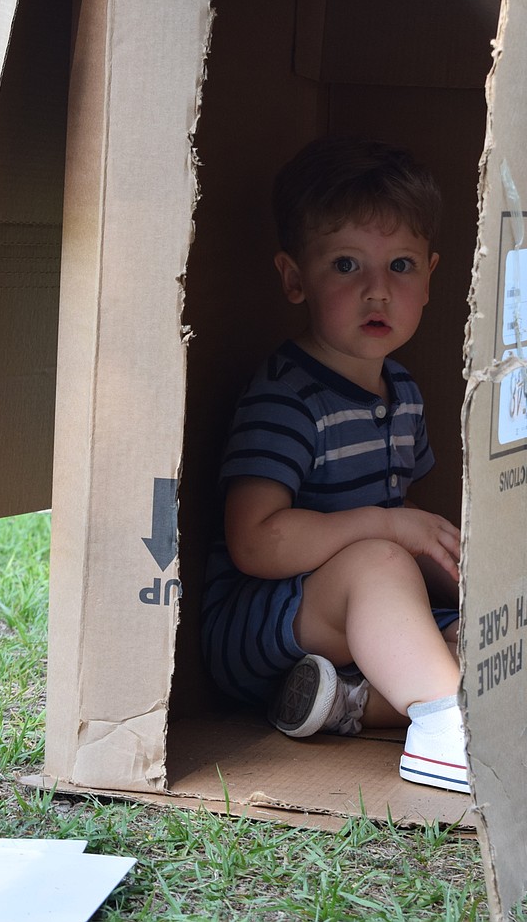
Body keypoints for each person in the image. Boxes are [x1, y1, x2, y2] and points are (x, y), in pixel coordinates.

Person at [200, 137, 469, 793]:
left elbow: (406, 529)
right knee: (381, 560)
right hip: (261, 620)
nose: (378, 290)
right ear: (295, 278)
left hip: (344, 631)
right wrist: (388, 526)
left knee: (484, 632)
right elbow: (255, 539)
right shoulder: (289, 395)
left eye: (401, 264)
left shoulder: (402, 391)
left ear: (431, 275)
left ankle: (346, 704)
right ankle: (444, 726)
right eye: (347, 264)